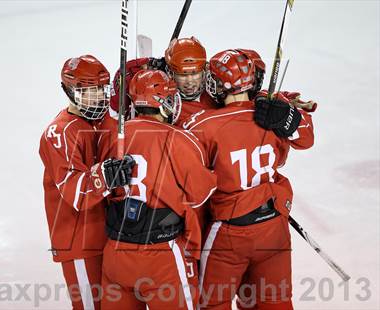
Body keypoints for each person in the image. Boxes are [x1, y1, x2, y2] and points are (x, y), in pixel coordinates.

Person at [183, 49, 315, 309]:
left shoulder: (203, 124)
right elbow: (306, 138)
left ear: (219, 85)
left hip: (229, 232)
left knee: (211, 303)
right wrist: (289, 113)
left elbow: (187, 177)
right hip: (274, 228)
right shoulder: (272, 113)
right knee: (276, 302)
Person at [99, 69, 217, 310]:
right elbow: (200, 195)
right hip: (161, 256)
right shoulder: (180, 139)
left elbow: (100, 187)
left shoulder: (113, 137)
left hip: (115, 254)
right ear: (164, 103)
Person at [39, 55, 134, 310]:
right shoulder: (58, 134)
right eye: (86, 91)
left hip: (111, 236)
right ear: (69, 91)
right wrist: (105, 175)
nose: (95, 97)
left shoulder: (103, 122)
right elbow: (75, 191)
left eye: (99, 90)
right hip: (79, 242)